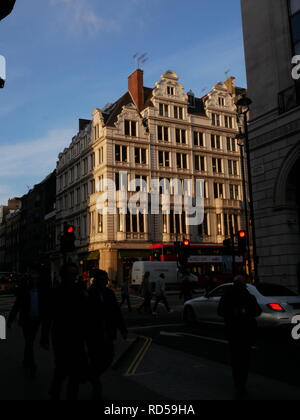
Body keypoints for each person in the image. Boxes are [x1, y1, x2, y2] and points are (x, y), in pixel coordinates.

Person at [47, 263, 89, 400]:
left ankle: (71, 395)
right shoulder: (56, 291)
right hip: (61, 336)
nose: (73, 277)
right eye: (70, 274)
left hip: (77, 336)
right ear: (63, 275)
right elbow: (49, 315)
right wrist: (44, 336)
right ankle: (55, 392)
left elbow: (86, 313)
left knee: (75, 373)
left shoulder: (79, 290)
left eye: (74, 274)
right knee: (61, 368)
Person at [218, 275, 262, 398]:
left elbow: (220, 311)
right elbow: (257, 312)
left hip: (233, 331)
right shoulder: (249, 296)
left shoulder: (227, 296)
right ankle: (242, 381)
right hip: (246, 331)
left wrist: (233, 314)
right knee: (245, 358)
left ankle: (238, 382)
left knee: (236, 358)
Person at [86, 269, 128, 400]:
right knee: (95, 357)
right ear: (96, 281)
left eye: (106, 280)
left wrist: (122, 329)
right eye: (103, 280)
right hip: (94, 333)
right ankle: (95, 382)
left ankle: (92, 375)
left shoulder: (109, 293)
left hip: (109, 331)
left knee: (109, 357)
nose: (105, 282)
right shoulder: (89, 293)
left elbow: (116, 312)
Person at [7, 264, 51, 377]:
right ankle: (31, 364)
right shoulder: (25, 286)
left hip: (37, 319)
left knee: (29, 341)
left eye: (35, 273)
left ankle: (27, 360)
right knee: (29, 341)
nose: (34, 276)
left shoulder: (43, 286)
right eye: (32, 273)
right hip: (26, 319)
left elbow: (47, 304)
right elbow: (18, 304)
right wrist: (11, 319)